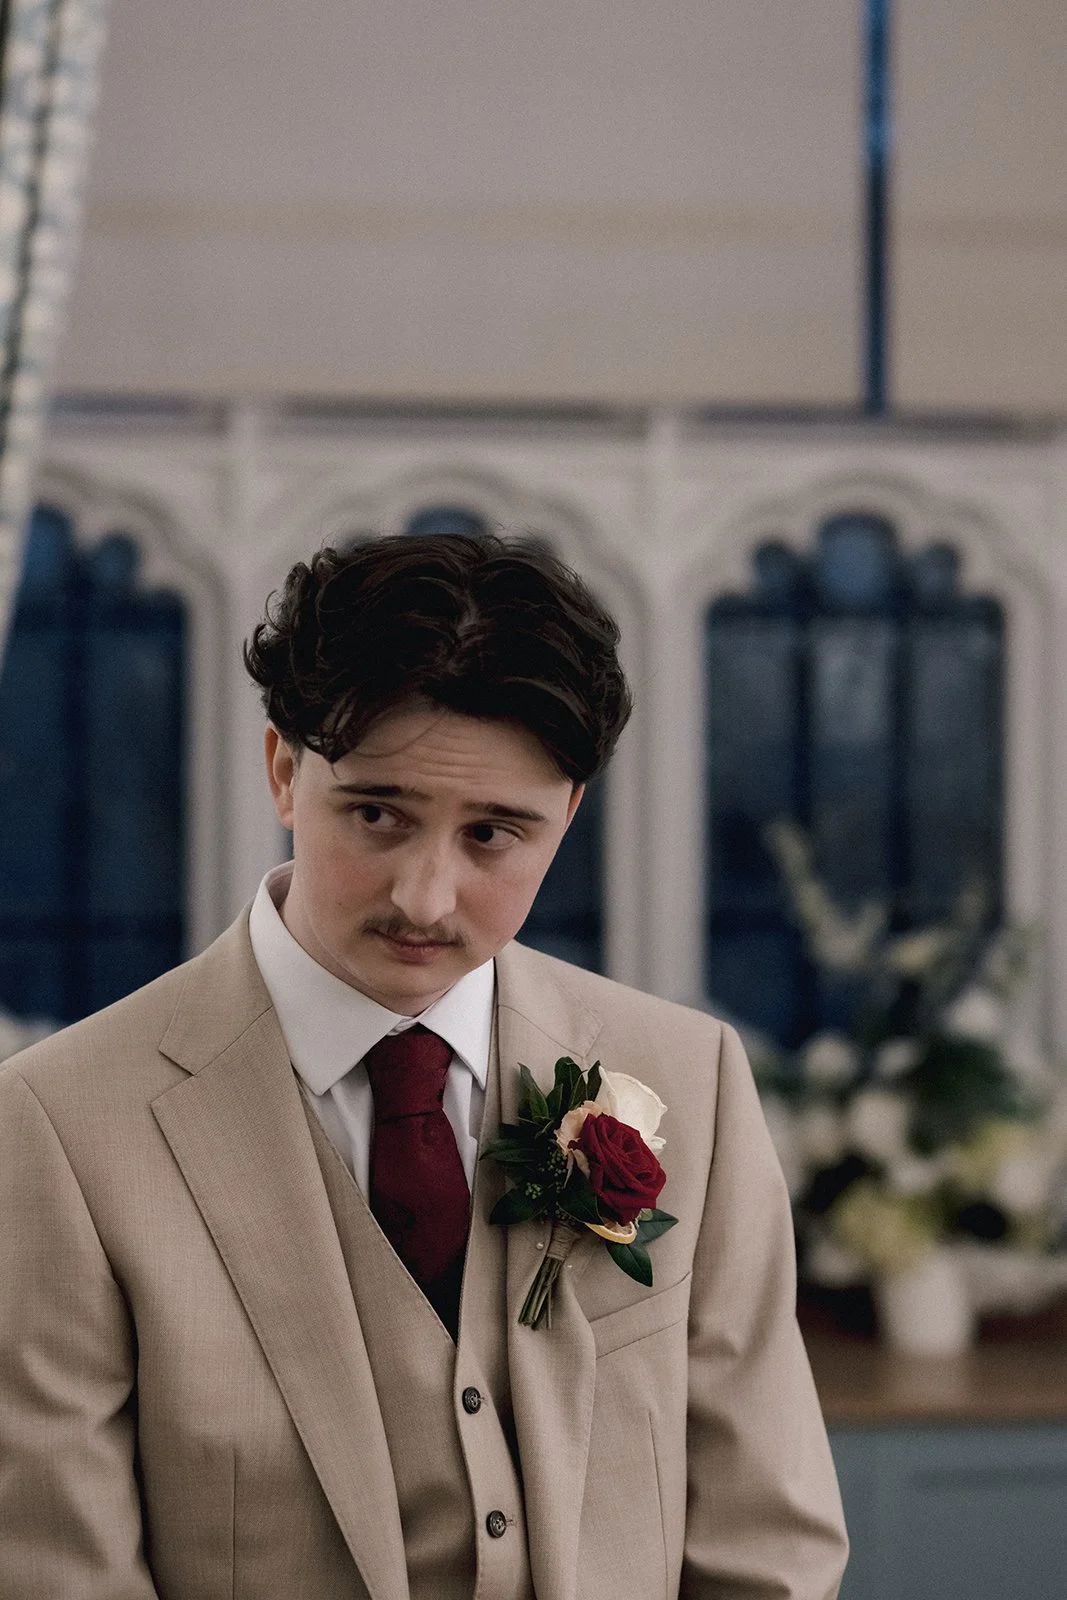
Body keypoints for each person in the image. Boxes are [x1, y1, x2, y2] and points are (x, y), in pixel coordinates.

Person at [0, 532, 847, 1599]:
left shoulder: (690, 1074)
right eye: (375, 814)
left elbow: (767, 1546)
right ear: (281, 770)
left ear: (568, 817)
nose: (424, 898)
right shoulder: (57, 1124)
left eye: (493, 834)